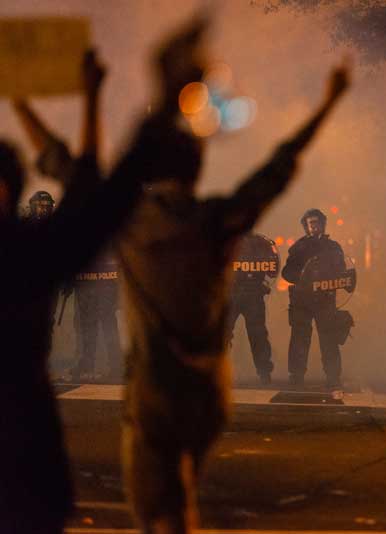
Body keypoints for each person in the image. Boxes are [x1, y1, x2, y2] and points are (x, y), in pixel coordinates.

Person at [115, 25, 350, 529]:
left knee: (155, 508)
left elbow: (101, 174)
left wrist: (159, 95)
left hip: (154, 388)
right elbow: (278, 168)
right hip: (206, 391)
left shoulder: (131, 223)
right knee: (183, 493)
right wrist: (328, 105)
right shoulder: (217, 220)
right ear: (198, 170)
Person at [0, 38, 188, 534]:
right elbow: (95, 197)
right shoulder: (27, 252)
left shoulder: (23, 251)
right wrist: (97, 100)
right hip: (24, 459)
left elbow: (93, 198)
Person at [282, 209, 349, 389]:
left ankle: (333, 377)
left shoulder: (333, 247)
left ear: (323, 224)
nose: (314, 226)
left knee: (329, 339)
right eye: (311, 223)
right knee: (299, 339)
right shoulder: (298, 248)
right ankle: (296, 376)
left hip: (325, 299)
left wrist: (332, 279)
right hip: (302, 300)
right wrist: (302, 276)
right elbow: (287, 272)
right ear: (306, 226)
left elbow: (342, 271)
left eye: (317, 222)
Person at [226, 232, 279, 384]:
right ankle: (219, 370)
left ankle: (264, 373)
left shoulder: (261, 243)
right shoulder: (229, 239)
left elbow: (273, 269)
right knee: (225, 334)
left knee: (258, 335)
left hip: (252, 296)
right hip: (232, 294)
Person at [68, 247, 123, 383]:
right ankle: (112, 367)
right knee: (104, 324)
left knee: (92, 326)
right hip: (105, 277)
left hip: (94, 278)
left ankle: (92, 367)